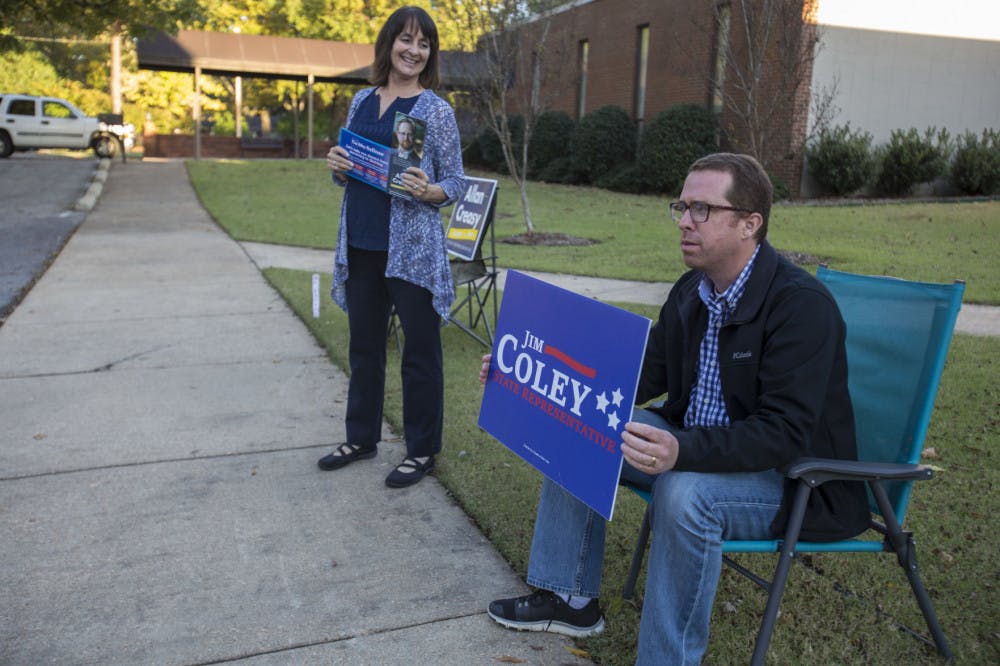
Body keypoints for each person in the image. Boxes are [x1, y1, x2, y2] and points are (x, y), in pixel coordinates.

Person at [481, 153, 870, 663]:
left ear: (749, 224)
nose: (685, 221)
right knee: (580, 422)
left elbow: (785, 433)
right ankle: (570, 597)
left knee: (686, 493)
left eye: (702, 209)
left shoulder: (800, 307)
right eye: (682, 207)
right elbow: (641, 376)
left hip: (792, 480)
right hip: (694, 444)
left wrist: (681, 451)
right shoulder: (694, 289)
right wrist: (528, 375)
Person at [320, 6, 465, 488]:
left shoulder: (436, 111)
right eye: (406, 40)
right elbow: (351, 171)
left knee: (420, 353)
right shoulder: (362, 100)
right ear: (389, 43)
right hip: (361, 242)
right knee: (364, 348)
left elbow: (457, 182)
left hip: (412, 253)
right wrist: (338, 164)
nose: (414, 50)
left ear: (430, 53)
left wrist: (431, 192)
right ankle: (361, 437)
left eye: (424, 44)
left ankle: (421, 450)